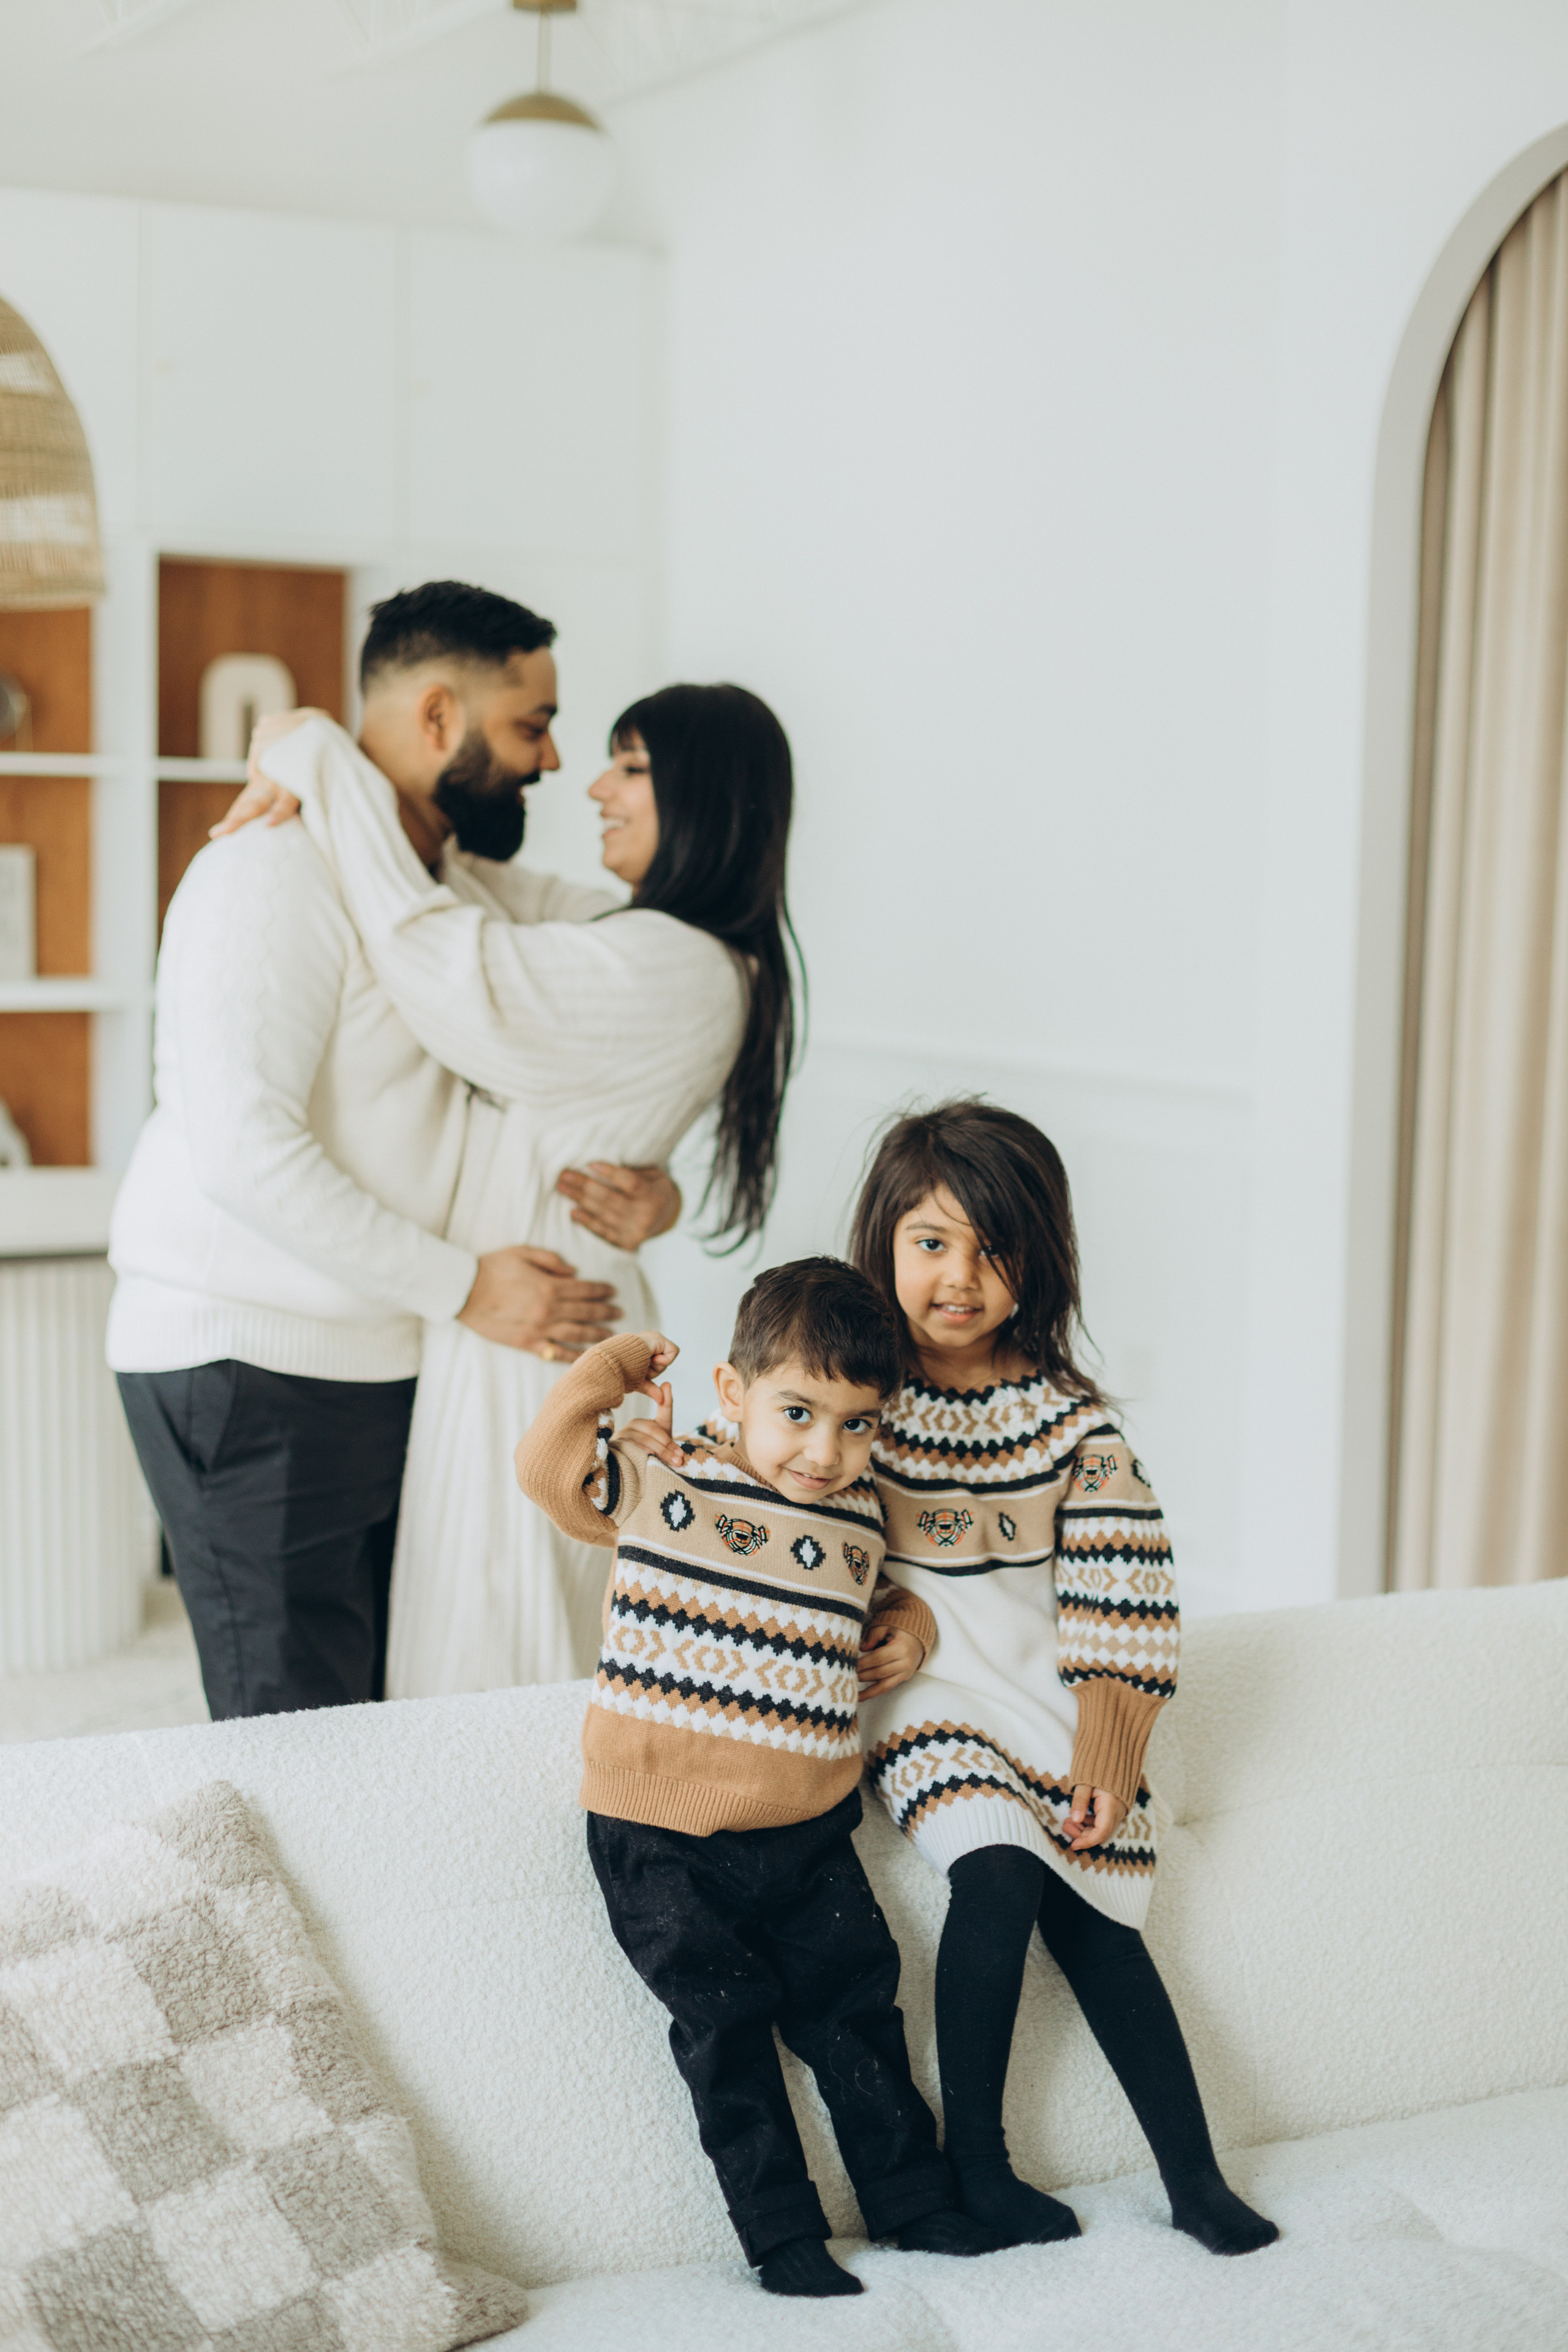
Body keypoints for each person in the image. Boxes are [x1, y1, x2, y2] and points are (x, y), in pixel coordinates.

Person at [110, 582, 676, 1720]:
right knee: (296, 1733)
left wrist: (653, 1187)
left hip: (373, 1352)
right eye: (531, 725)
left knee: (373, 1722)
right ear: (435, 719)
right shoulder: (266, 870)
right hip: (250, 1362)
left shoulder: (446, 890)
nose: (554, 760)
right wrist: (468, 1288)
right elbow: (240, 1150)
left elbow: (656, 941)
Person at [232, 676, 800, 1689]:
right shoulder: (660, 941)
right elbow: (475, 886)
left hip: (543, 1336)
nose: (593, 787)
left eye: (631, 768)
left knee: (499, 1648)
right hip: (550, 1318)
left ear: (704, 800)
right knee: (518, 1628)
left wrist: (321, 754)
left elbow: (438, 954)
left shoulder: (669, 961)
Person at [513, 1260, 1000, 2297]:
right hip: (658, 1830)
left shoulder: (861, 1515)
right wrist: (612, 1366)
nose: (825, 1452)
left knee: (859, 2012)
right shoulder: (667, 1476)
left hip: (809, 1829)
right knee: (726, 2032)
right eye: (797, 1413)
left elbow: (898, 1596)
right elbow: (548, 1472)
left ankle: (914, 2200)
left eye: (859, 1424)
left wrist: (907, 1637)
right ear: (734, 1395)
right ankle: (781, 2233)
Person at [850, 1101, 1280, 2256]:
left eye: (995, 1249)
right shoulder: (858, 1403)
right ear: (882, 1242)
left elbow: (1125, 1598)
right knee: (997, 1875)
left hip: (1045, 1695)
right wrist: (897, 1617)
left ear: (1040, 1261)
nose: (960, 1276)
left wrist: (1108, 1754)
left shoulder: (1071, 1427)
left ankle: (1193, 2179)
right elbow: (816, 1539)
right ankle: (975, 2166)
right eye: (931, 1242)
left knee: (1099, 1913)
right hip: (924, 1702)